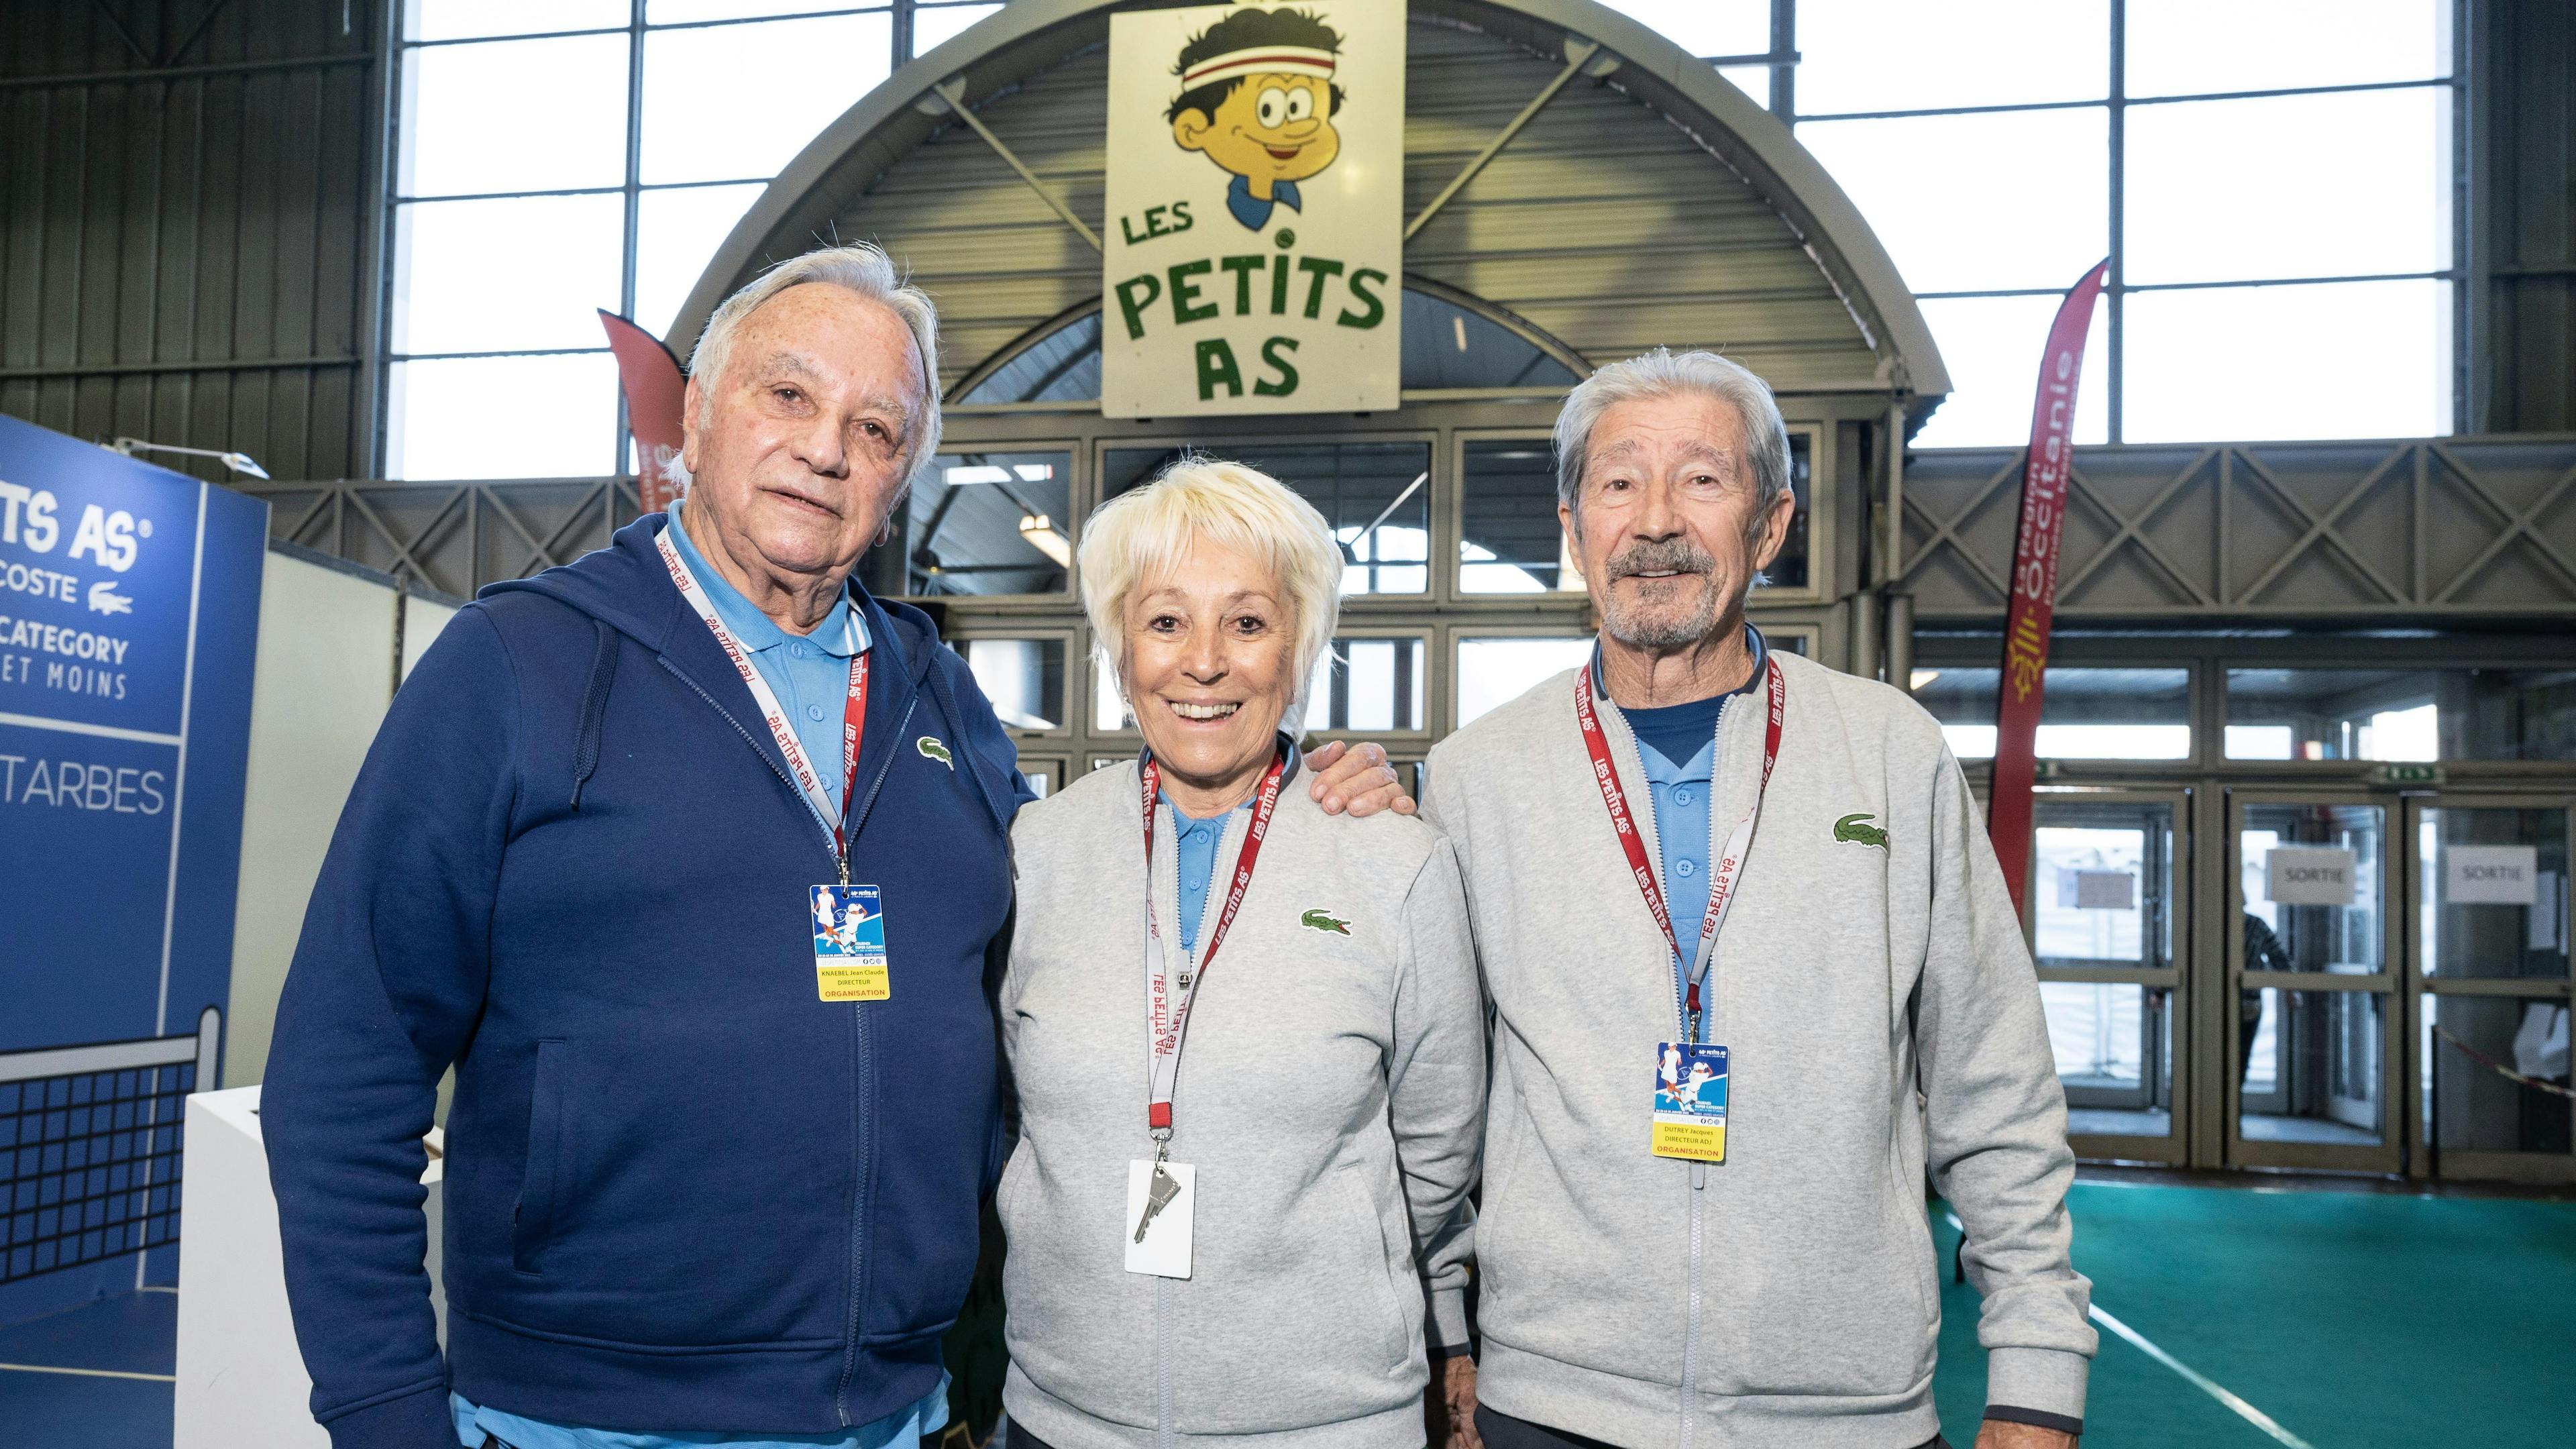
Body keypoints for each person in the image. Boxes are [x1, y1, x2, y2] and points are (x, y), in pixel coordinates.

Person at [260, 244, 1410, 1449]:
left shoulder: (943, 705)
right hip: (587, 1415)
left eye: (876, 428)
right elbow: (347, 1069)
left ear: (903, 472)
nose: (826, 449)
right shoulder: (519, 669)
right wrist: (386, 1413)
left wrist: (1309, 779)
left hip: (900, 1416)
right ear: (698, 415)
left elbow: (1058, 966)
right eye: (790, 395)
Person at [1420, 350, 2094, 1449]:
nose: (1654, 523)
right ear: (1574, 526)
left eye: (1702, 480)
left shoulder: (1888, 753)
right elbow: (1436, 1096)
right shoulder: (1474, 776)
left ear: (1770, 526)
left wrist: (2034, 1372)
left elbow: (1994, 1080)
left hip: (1846, 1408)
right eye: (1619, 482)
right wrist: (1448, 1323)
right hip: (1552, 1400)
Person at [995, 460, 1483, 1449]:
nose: (1205, 663)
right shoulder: (1037, 852)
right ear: (1119, 648)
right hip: (1062, 1413)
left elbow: (1438, 1146)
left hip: (1327, 1420)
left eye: (1248, 622)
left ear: (1299, 648)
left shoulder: (1395, 861)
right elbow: (1009, 1107)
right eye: (1167, 621)